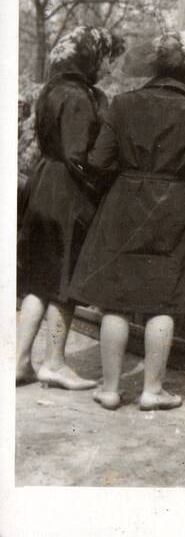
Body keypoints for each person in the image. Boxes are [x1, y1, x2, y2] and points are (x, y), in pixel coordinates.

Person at [68, 32, 185, 410]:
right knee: (162, 301)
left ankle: (110, 389)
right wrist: (177, 194)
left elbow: (99, 161)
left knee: (114, 300)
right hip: (174, 206)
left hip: (123, 205)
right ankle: (152, 391)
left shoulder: (122, 104)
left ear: (155, 65)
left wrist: (126, 184)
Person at [16, 26, 125, 389]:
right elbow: (80, 157)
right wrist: (107, 177)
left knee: (38, 279)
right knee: (64, 279)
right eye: (108, 59)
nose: (109, 68)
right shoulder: (80, 96)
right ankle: (54, 363)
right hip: (68, 194)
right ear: (92, 57)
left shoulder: (52, 89)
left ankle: (19, 362)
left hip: (43, 184)